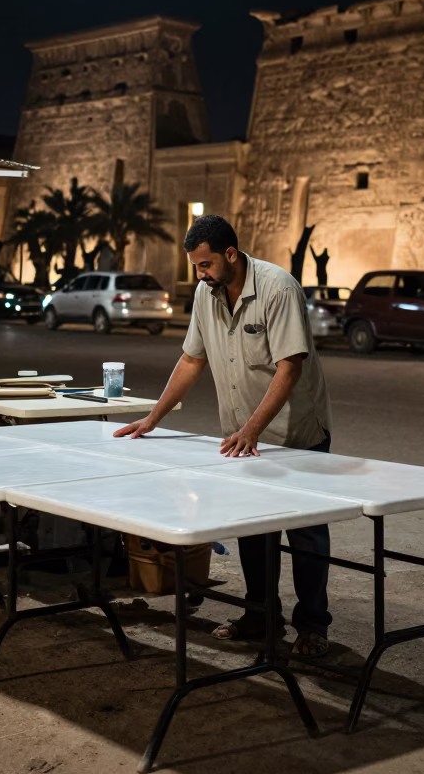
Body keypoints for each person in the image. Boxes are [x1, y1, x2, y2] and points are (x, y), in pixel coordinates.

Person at [114, 214, 334, 658]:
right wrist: (152, 418)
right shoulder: (206, 293)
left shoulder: (278, 288)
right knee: (252, 530)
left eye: (205, 264)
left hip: (295, 435)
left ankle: (313, 628)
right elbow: (192, 360)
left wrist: (252, 429)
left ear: (230, 254)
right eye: (196, 266)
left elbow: (290, 367)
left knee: (306, 535)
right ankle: (260, 615)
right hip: (243, 439)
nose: (200, 274)